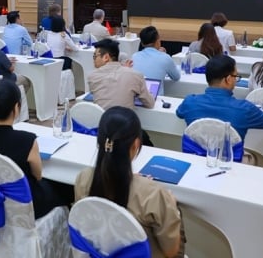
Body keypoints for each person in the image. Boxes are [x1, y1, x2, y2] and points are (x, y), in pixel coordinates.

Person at [75, 107, 183, 258]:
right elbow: (170, 251)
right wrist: (172, 208)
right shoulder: (154, 194)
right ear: (136, 144)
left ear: (99, 140)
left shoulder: (83, 179)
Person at [0, 79, 71, 219]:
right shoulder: (27, 140)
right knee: (65, 187)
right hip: (25, 206)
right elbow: (38, 176)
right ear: (16, 107)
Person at [176, 55, 263, 141]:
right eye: (235, 76)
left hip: (196, 159)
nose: (236, 80)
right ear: (227, 79)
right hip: (230, 163)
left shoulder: (189, 102)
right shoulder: (244, 109)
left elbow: (179, 112)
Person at [88, 39, 154, 110]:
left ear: (106, 57)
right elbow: (150, 103)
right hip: (125, 119)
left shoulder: (92, 77)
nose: (94, 60)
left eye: (95, 56)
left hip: (102, 120)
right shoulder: (135, 75)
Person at [132, 26, 180, 95]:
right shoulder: (165, 58)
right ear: (157, 41)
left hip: (136, 97)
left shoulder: (134, 56)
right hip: (156, 100)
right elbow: (176, 77)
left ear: (142, 43)